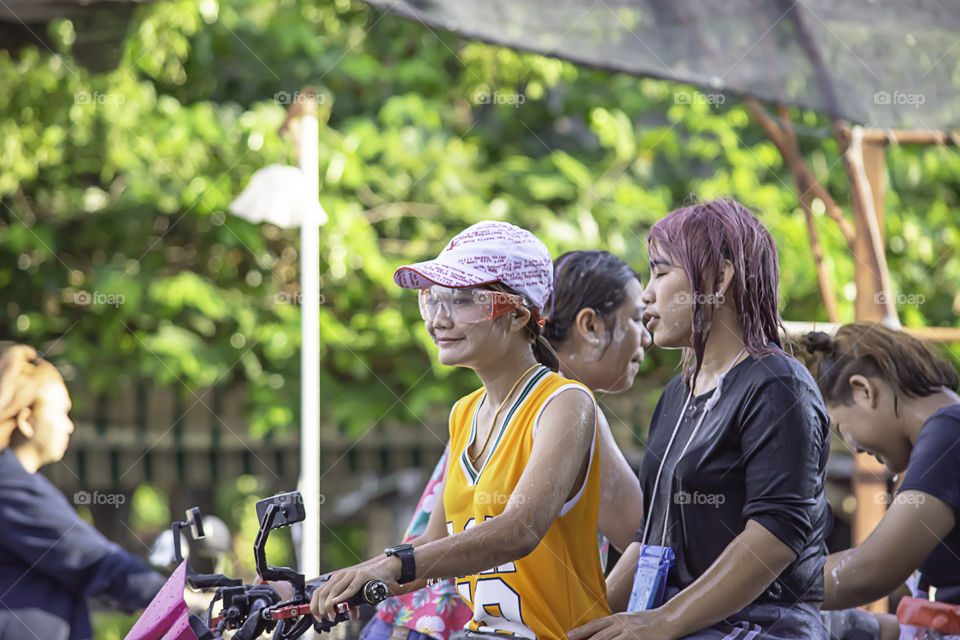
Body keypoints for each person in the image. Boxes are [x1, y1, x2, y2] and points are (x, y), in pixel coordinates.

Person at [311, 220, 611, 639]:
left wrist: (389, 565)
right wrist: (341, 581)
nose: (438, 318)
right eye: (431, 299)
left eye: (462, 300)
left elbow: (519, 530)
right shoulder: (463, 413)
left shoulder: (565, 402)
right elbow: (429, 547)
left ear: (518, 314)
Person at [570, 197, 831, 640]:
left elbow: (774, 535)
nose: (647, 294)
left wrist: (664, 621)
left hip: (760, 628)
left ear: (719, 277)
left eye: (660, 271)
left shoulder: (778, 384)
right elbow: (648, 539)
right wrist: (578, 624)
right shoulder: (676, 394)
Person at [0, 345, 166, 640]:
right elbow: (93, 561)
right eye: (62, 413)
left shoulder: (21, 481)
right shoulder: (8, 483)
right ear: (27, 420)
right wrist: (175, 598)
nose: (69, 425)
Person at [801, 323, 960, 611]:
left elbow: (870, 570)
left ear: (863, 390)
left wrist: (756, 586)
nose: (855, 447)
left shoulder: (948, 431)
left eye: (840, 426)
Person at [543, 250, 650, 556]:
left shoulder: (503, 392)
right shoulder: (572, 406)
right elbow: (645, 541)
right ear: (590, 327)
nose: (646, 338)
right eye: (636, 318)